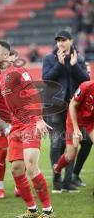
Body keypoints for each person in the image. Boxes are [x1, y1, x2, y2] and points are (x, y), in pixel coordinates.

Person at [0, 40, 55, 218]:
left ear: (5, 55)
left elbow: (33, 94)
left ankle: (48, 211)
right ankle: (32, 209)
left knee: (31, 167)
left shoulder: (19, 71)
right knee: (17, 169)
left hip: (30, 122)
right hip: (15, 126)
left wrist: (39, 120)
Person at [42, 30, 90, 193]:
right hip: (54, 107)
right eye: (58, 41)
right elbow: (46, 79)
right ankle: (57, 181)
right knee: (57, 143)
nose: (60, 43)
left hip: (73, 107)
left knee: (72, 143)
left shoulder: (79, 58)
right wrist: (59, 65)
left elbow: (85, 82)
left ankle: (67, 182)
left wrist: (74, 65)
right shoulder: (49, 58)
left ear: (71, 41)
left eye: (63, 40)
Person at [54, 80, 94, 190]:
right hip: (74, 120)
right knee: (71, 154)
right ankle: (57, 169)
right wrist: (76, 129)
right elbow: (72, 105)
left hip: (90, 121)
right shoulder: (86, 86)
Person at [0, 49, 20, 199]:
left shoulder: (20, 76)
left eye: (14, 60)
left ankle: (19, 186)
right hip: (1, 120)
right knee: (2, 153)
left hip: (17, 120)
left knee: (18, 155)